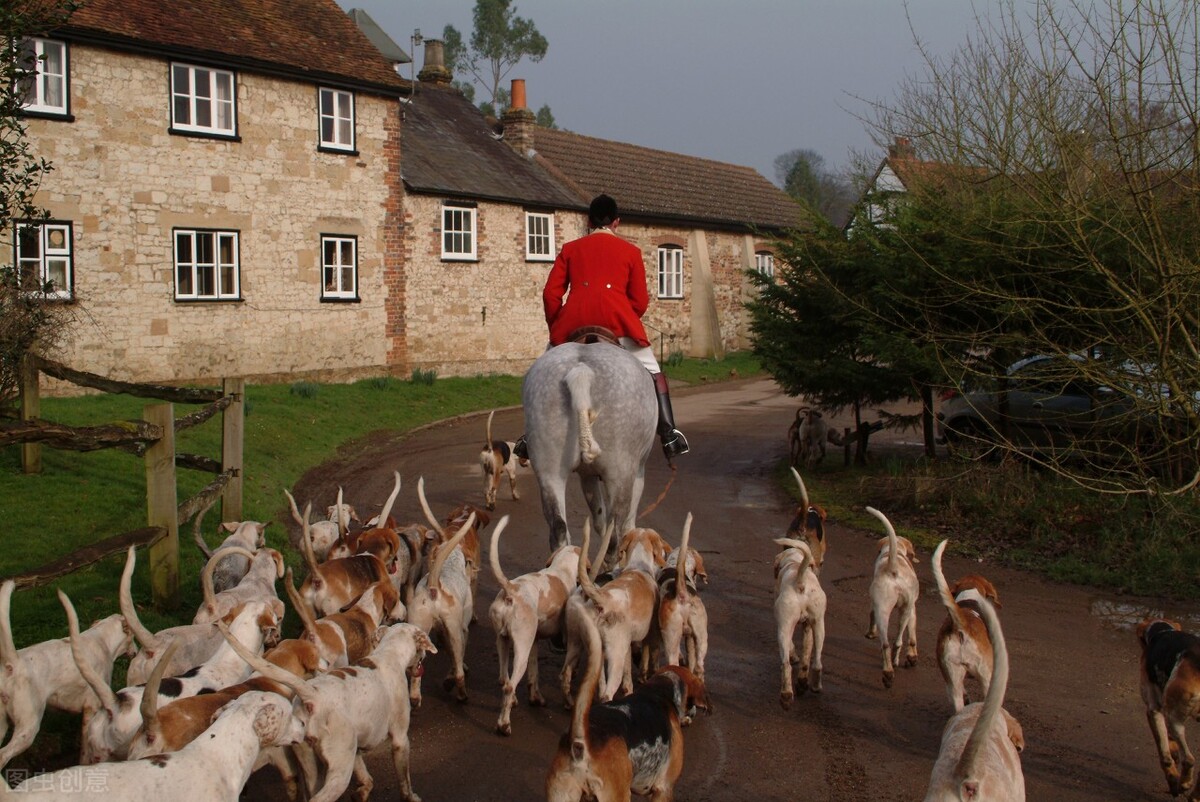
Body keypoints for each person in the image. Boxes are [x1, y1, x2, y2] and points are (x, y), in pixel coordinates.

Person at [514, 194, 689, 460]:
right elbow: (640, 301)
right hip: (617, 324)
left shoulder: (570, 249)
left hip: (573, 321)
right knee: (653, 370)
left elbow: (551, 294)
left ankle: (530, 436)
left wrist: (557, 325)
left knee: (543, 368)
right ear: (616, 222)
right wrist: (625, 316)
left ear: (588, 220)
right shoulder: (631, 252)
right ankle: (669, 435)